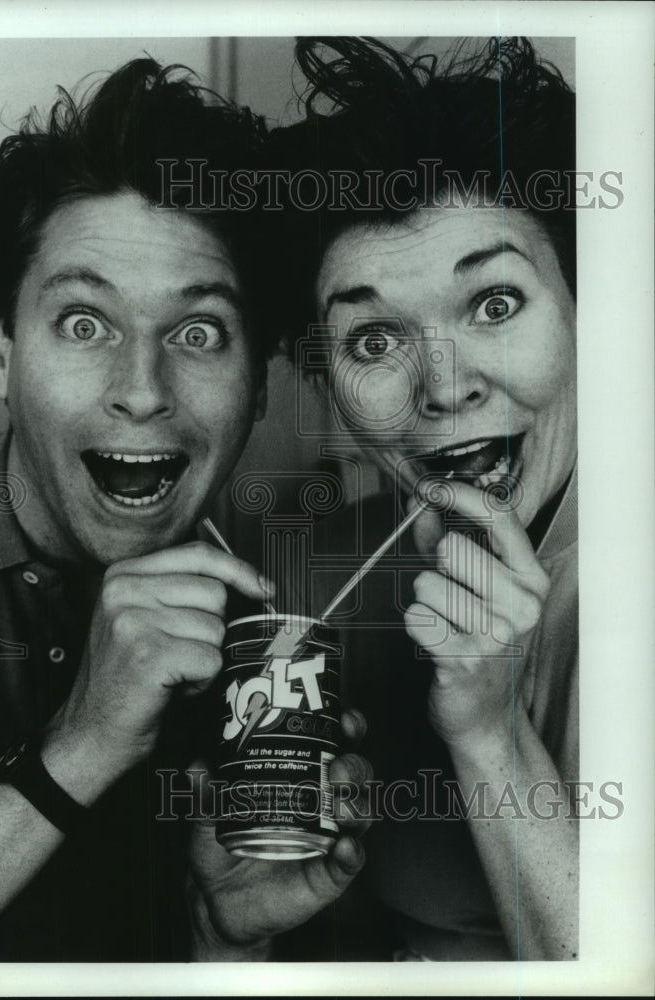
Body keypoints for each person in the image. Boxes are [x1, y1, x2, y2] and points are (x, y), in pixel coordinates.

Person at [0, 55, 370, 962]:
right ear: (0, 351)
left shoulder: (270, 645)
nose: (142, 392)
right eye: (82, 322)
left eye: (196, 332)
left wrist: (226, 942)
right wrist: (87, 739)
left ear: (258, 388)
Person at [265, 36, 579, 960]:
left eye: (492, 304)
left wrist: (489, 736)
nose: (443, 389)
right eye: (373, 343)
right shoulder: (328, 580)